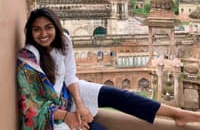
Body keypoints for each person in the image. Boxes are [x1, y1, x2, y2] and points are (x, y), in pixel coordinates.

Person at [17, 7, 200, 130]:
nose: (43, 34)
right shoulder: (29, 60)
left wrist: (80, 105)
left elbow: (70, 75)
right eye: (37, 30)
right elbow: (31, 106)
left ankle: (180, 114)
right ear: (30, 33)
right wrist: (66, 116)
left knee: (120, 96)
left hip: (67, 95)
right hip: (51, 115)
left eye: (48, 28)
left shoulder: (63, 41)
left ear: (56, 27)